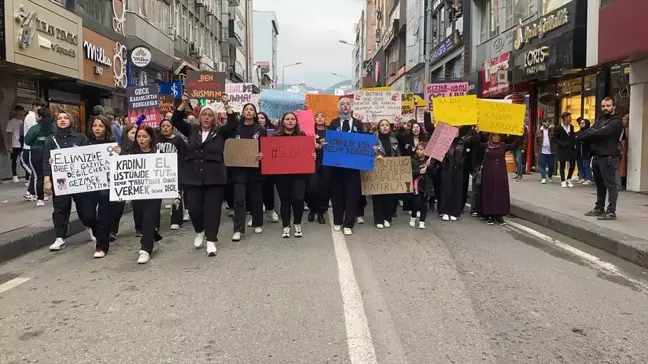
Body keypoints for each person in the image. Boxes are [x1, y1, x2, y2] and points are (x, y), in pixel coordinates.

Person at [171, 92, 238, 256]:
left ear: (214, 118)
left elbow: (234, 123)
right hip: (193, 177)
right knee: (193, 208)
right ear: (199, 117)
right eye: (204, 115)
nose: (206, 118)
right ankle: (199, 230)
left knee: (213, 210)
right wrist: (183, 103)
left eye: (210, 115)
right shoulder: (192, 130)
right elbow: (176, 120)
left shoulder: (220, 132)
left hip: (214, 177)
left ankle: (211, 240)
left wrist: (226, 104)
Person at [43, 112, 96, 251]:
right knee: (60, 208)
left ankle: (91, 228)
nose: (62, 120)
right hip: (61, 180)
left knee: (85, 207)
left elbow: (89, 158)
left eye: (65, 118)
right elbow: (46, 161)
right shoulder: (50, 140)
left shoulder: (80, 138)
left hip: (79, 179)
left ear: (71, 121)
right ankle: (60, 237)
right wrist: (47, 181)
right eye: (59, 118)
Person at [270, 112, 317, 238]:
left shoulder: (302, 136)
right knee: (285, 201)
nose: (290, 121)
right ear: (283, 121)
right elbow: (270, 154)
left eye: (292, 119)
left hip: (299, 175)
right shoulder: (275, 137)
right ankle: (286, 225)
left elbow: (309, 153)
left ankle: (297, 223)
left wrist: (312, 155)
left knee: (298, 199)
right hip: (281, 175)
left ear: (296, 122)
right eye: (287, 119)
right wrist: (264, 156)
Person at [578, 97, 624, 220]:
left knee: (611, 185)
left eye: (608, 106)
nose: (605, 108)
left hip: (609, 157)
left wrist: (594, 132)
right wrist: (593, 132)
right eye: (603, 106)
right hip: (597, 157)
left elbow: (600, 133)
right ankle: (599, 208)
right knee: (599, 185)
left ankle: (611, 212)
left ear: (614, 107)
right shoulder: (601, 119)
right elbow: (588, 132)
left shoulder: (616, 122)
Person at [328, 97, 365, 235]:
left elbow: (364, 142)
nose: (345, 106)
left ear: (351, 107)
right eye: (342, 104)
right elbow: (330, 140)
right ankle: (338, 221)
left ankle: (348, 223)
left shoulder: (358, 123)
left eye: (347, 104)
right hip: (337, 166)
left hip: (353, 167)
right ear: (339, 107)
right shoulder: (334, 123)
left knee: (352, 194)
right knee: (337, 193)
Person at [231, 103, 267, 240]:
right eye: (246, 109)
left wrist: (262, 155)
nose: (249, 111)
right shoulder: (236, 128)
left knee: (256, 197)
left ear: (255, 113)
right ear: (243, 112)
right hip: (239, 169)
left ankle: (258, 222)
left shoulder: (261, 130)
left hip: (255, 168)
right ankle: (238, 229)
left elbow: (265, 148)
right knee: (239, 199)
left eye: (251, 109)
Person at [473, 131, 522, 225]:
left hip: (500, 174)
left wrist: (520, 133)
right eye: (494, 136)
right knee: (489, 192)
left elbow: (515, 145)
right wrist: (478, 133)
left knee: (500, 193)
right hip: (489, 173)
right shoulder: (486, 146)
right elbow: (476, 143)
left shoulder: (503, 145)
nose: (496, 138)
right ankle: (489, 215)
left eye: (497, 136)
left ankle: (499, 215)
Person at [130, 125, 164, 264]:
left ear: (150, 138)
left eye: (144, 136)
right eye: (139, 136)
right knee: (141, 220)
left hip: (153, 193)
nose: (141, 139)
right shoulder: (131, 154)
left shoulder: (158, 153)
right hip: (137, 193)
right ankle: (153, 235)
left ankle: (145, 249)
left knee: (149, 218)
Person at [87, 115, 119, 258]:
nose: (97, 129)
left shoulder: (113, 144)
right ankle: (98, 234)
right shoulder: (85, 143)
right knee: (87, 215)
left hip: (106, 188)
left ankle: (101, 246)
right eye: (95, 126)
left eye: (100, 126)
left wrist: (119, 153)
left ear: (106, 128)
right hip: (89, 188)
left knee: (103, 217)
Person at [156, 119, 188, 230]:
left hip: (174, 172)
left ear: (172, 128)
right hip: (158, 172)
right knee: (156, 196)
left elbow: (184, 156)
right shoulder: (156, 139)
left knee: (177, 194)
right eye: (163, 125)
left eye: (168, 126)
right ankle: (155, 222)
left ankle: (176, 220)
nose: (165, 128)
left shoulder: (178, 140)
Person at [372, 119, 401, 228]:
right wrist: (375, 157)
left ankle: (387, 217)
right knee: (378, 196)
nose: (385, 127)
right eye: (382, 125)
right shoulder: (373, 139)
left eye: (387, 125)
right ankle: (378, 219)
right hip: (377, 171)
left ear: (390, 127)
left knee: (390, 196)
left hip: (390, 171)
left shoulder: (394, 140)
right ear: (379, 128)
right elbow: (367, 154)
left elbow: (398, 155)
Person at [23, 107, 55, 207]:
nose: (35, 117)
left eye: (36, 115)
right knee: (52, 174)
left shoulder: (35, 128)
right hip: (51, 153)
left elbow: (27, 141)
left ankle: (40, 198)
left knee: (38, 176)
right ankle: (50, 194)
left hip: (36, 152)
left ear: (40, 117)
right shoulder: (53, 127)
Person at [111, 124, 137, 240]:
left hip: (137, 181)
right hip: (123, 182)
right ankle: (113, 230)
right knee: (117, 207)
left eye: (136, 133)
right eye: (132, 133)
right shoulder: (118, 148)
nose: (135, 136)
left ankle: (140, 228)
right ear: (126, 135)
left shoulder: (141, 147)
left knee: (138, 206)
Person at [437, 132, 466, 222]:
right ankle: (445, 211)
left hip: (458, 169)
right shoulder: (444, 140)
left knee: (457, 190)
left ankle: (454, 212)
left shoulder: (462, 141)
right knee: (446, 189)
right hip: (446, 167)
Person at [307, 112, 330, 224]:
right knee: (312, 187)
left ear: (325, 119)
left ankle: (321, 211)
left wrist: (325, 146)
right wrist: (313, 145)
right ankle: (312, 209)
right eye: (318, 116)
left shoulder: (329, 132)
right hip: (313, 161)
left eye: (322, 116)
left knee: (324, 188)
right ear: (314, 119)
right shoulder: (310, 131)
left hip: (326, 162)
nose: (320, 118)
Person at [257, 111, 280, 222]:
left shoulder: (272, 132)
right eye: (258, 118)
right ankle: (255, 214)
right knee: (255, 190)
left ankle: (271, 210)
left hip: (269, 165)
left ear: (266, 119)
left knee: (268, 189)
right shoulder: (252, 131)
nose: (260, 119)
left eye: (262, 117)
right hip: (255, 164)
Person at [22, 98, 46, 197]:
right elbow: (35, 133)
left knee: (36, 172)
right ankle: (35, 193)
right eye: (41, 107)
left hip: (33, 148)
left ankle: (31, 192)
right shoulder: (32, 117)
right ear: (35, 106)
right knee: (35, 172)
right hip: (30, 148)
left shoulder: (33, 116)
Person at [410, 143, 433, 229]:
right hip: (416, 184)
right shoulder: (413, 160)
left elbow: (434, 174)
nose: (419, 151)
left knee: (424, 204)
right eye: (417, 149)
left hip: (426, 185)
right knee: (416, 202)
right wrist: (419, 172)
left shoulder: (429, 161)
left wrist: (429, 167)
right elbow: (410, 172)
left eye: (421, 149)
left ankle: (422, 221)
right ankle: (413, 217)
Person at [555, 112, 577, 188]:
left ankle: (569, 178)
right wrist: (562, 143)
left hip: (571, 149)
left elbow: (573, 136)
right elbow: (555, 139)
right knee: (562, 165)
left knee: (572, 164)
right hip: (562, 149)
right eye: (569, 117)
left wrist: (574, 143)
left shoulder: (571, 127)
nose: (570, 119)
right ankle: (563, 180)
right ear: (564, 118)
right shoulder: (558, 128)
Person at [6, 105, 25, 183]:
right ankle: (15, 176)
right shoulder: (11, 122)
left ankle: (27, 175)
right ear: (16, 112)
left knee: (24, 160)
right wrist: (10, 146)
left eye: (22, 111)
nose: (21, 113)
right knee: (14, 161)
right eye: (20, 111)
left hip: (22, 144)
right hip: (14, 144)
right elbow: (9, 134)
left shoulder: (22, 121)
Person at [535, 118, 556, 184]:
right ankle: (543, 178)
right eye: (545, 122)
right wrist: (536, 151)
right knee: (542, 165)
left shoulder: (553, 130)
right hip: (542, 151)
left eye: (548, 122)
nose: (547, 123)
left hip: (551, 151)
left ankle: (549, 176)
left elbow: (556, 139)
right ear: (542, 123)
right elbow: (536, 142)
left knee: (551, 165)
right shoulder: (539, 131)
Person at [575, 118, 593, 185]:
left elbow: (583, 138)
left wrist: (578, 138)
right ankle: (582, 178)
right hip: (578, 151)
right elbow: (576, 138)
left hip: (586, 151)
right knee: (579, 165)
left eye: (583, 123)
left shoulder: (589, 132)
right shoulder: (578, 132)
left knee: (586, 165)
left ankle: (588, 178)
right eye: (581, 123)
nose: (581, 124)